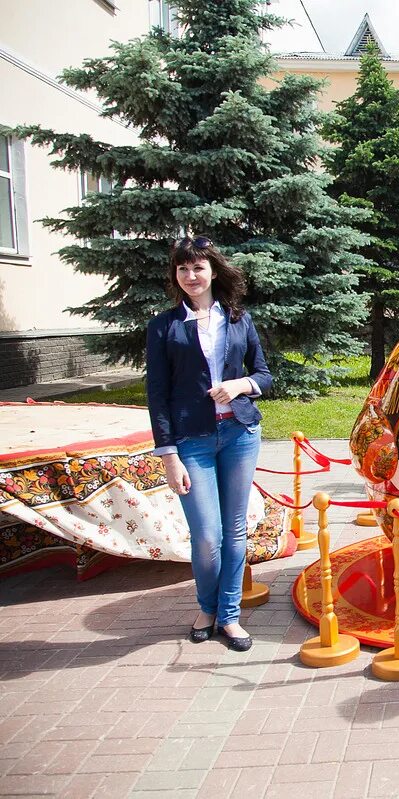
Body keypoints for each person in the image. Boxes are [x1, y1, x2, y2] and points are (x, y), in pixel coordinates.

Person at [146, 236, 272, 652]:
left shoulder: (239, 319)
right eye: (182, 269)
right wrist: (169, 456)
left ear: (213, 271)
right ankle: (207, 608)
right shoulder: (163, 327)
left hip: (239, 434)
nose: (191, 276)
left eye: (198, 268)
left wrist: (241, 385)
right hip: (192, 442)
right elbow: (157, 394)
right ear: (176, 276)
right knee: (205, 535)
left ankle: (230, 616)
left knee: (234, 530)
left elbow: (265, 376)